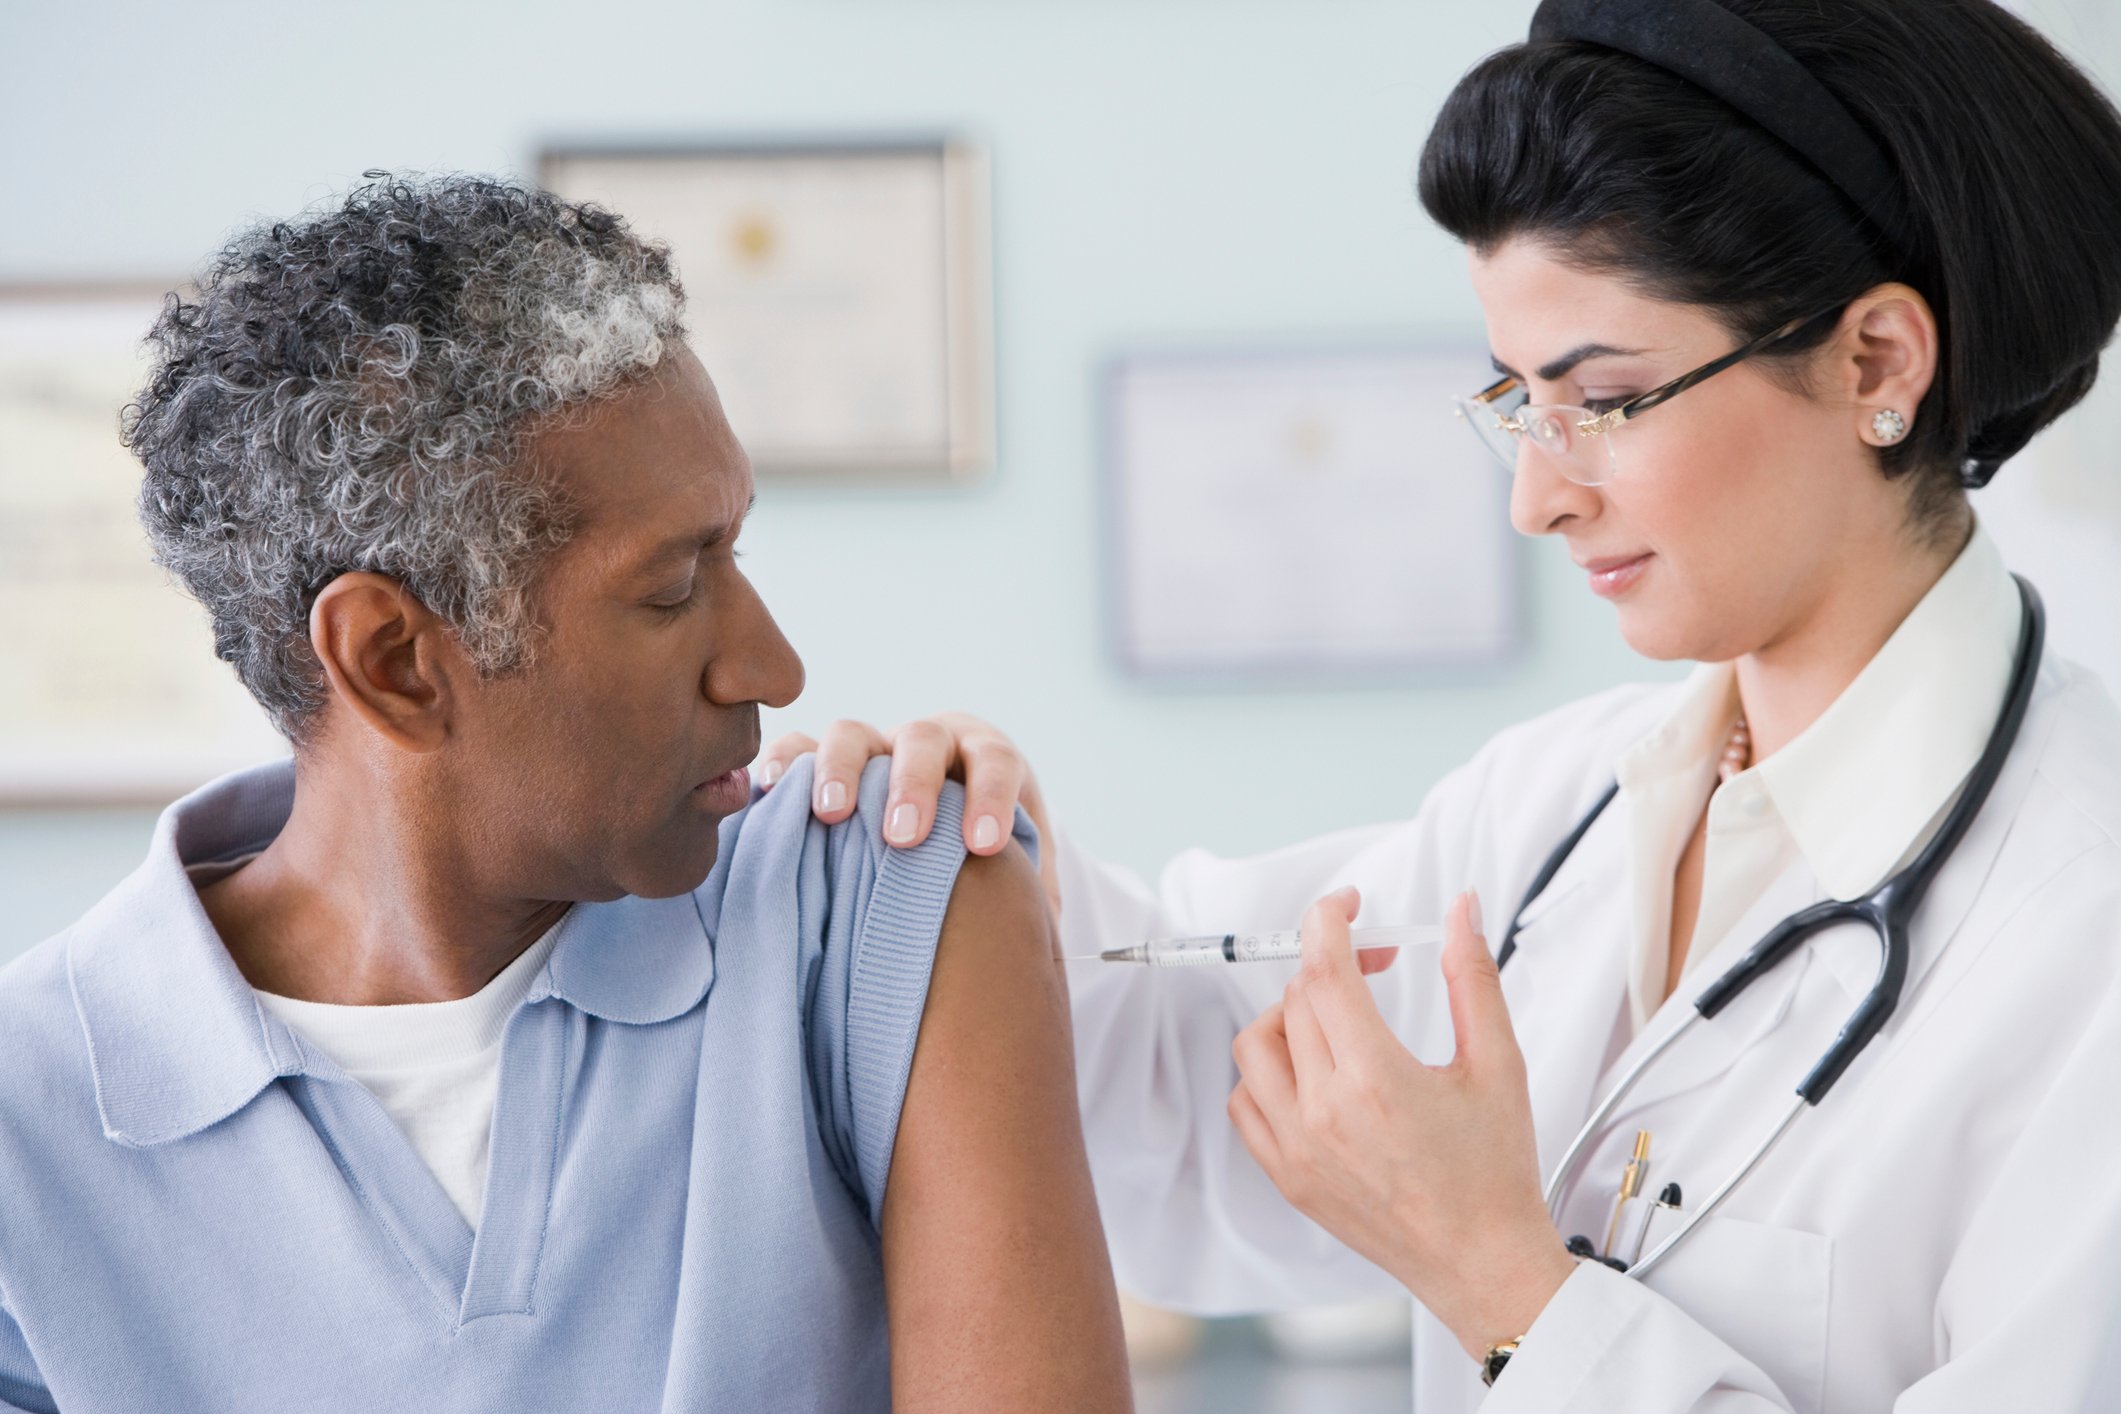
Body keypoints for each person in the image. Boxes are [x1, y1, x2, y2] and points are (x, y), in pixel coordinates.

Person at [764, 0, 2121, 1408]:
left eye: (1604, 400)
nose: (1537, 495)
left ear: (1876, 364)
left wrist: (1500, 1287)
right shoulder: (1555, 811)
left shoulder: (2083, 939)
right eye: (1516, 403)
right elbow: (1196, 1083)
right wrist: (997, 877)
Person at [0, 175, 1129, 1412]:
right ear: (395, 661)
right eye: (667, 589)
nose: (773, 667)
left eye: (732, 550)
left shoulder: (885, 904)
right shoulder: (30, 1118)